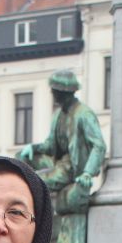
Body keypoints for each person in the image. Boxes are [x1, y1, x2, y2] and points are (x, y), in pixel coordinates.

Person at [17, 68, 106, 212]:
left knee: (35, 181)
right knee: (20, 159)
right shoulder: (58, 114)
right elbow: (50, 145)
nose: (51, 92)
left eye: (54, 90)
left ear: (62, 92)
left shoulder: (84, 114)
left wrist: (87, 173)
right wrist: (33, 148)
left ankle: (34, 213)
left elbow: (99, 145)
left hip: (71, 167)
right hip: (57, 162)